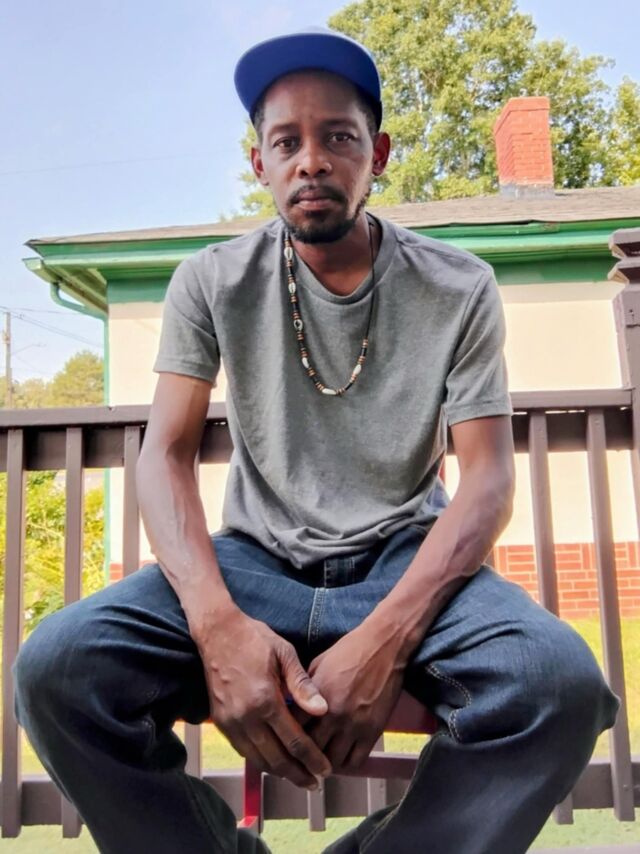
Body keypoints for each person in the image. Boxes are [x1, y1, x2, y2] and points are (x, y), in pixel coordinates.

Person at [13, 26, 619, 854]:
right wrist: (216, 624)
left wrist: (385, 639)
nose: (312, 162)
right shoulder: (211, 279)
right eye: (286, 142)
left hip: (406, 559)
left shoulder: (458, 285)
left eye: (338, 137)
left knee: (558, 686)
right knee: (57, 669)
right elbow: (164, 454)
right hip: (252, 564)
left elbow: (486, 481)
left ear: (378, 154)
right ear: (258, 163)